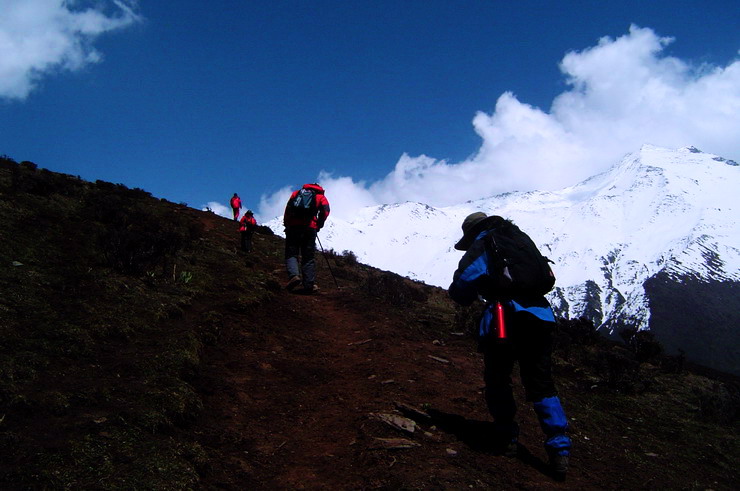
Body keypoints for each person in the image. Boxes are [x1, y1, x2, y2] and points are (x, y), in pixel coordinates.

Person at [448, 212, 571, 478]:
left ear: (472, 233)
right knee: (541, 383)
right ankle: (559, 447)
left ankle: (506, 436)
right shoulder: (520, 239)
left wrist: (467, 293)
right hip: (541, 317)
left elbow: (462, 284)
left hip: (505, 319)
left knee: (498, 377)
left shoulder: (483, 244)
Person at [283, 183, 330, 293]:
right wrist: (319, 224)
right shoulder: (320, 197)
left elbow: (288, 209)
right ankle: (309, 285)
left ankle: (294, 276)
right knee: (308, 256)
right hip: (310, 228)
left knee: (291, 253)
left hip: (293, 227)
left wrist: (287, 224)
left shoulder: (296, 194)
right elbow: (326, 211)